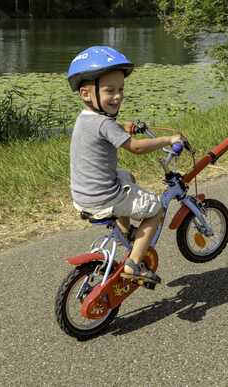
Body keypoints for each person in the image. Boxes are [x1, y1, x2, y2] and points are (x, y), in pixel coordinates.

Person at [66, 46, 183, 287]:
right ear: (86, 93)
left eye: (121, 89)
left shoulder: (86, 118)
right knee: (156, 210)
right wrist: (168, 139)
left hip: (83, 195)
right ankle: (133, 264)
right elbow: (137, 148)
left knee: (125, 175)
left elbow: (105, 128)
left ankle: (128, 233)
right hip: (104, 198)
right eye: (110, 91)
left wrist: (122, 125)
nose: (118, 96)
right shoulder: (104, 124)